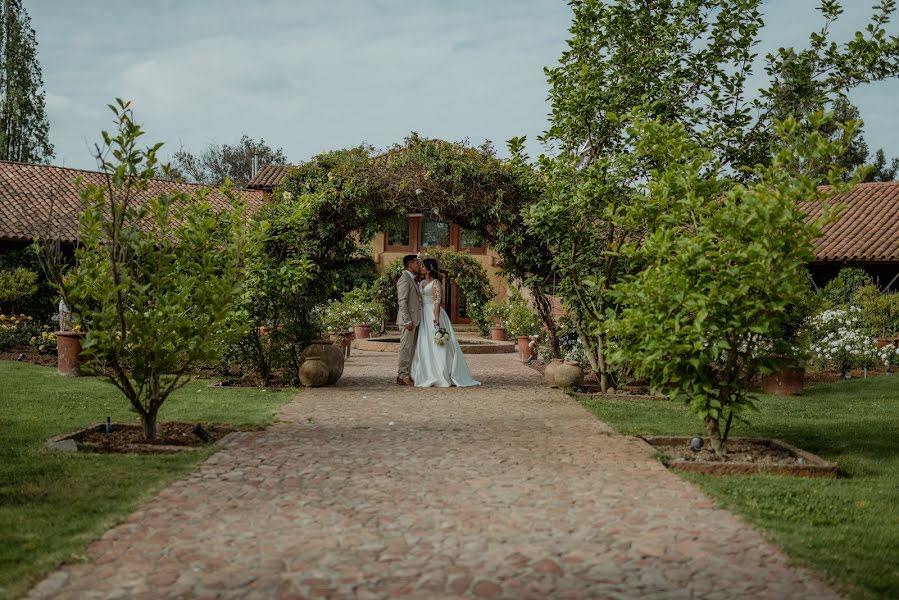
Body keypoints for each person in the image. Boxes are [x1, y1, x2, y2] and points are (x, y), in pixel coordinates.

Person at [410, 258, 480, 387]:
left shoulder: (436, 283)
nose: (421, 268)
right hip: (422, 314)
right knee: (424, 342)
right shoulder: (421, 282)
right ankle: (423, 371)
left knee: (437, 343)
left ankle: (441, 372)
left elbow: (437, 302)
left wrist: (436, 321)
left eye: (424, 266)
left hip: (433, 313)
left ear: (429, 269)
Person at [396, 255, 422, 386]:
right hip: (408, 322)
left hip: (414, 320)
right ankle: (402, 375)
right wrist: (407, 320)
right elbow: (402, 301)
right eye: (417, 263)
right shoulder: (404, 280)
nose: (418, 266)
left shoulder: (412, 279)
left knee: (411, 349)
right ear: (410, 264)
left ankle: (407, 374)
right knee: (405, 348)